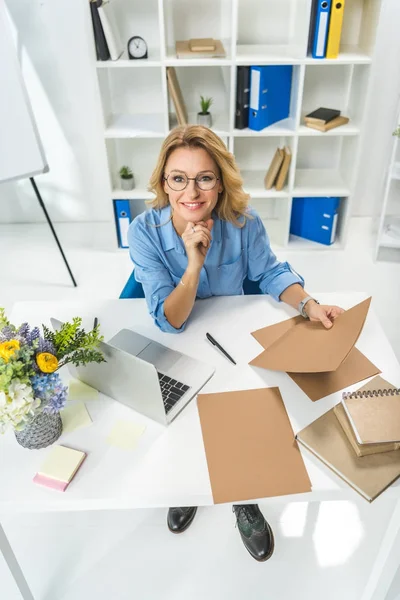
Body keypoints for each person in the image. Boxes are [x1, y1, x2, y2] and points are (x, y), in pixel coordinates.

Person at [128, 125, 344, 562]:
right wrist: (194, 263)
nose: (192, 191)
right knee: (182, 413)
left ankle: (243, 497)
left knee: (243, 412)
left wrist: (308, 305)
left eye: (205, 177)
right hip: (180, 338)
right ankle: (189, 485)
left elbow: (270, 273)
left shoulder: (243, 223)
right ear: (163, 183)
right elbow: (170, 321)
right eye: (178, 178)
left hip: (229, 340)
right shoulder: (144, 231)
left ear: (221, 181)